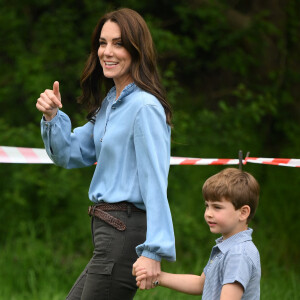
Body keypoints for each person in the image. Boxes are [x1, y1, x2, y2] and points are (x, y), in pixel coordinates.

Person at [36, 8, 176, 300]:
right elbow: (70, 153)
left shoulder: (145, 108)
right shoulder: (110, 104)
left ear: (137, 50)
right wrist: (52, 117)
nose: (107, 52)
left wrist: (154, 250)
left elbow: (155, 182)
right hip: (108, 233)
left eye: (119, 43)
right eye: (102, 42)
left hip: (126, 234)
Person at [135, 168, 261, 300]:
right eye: (207, 206)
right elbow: (200, 284)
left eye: (217, 207)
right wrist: (156, 277)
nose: (208, 213)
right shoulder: (228, 247)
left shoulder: (238, 253)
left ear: (243, 212)